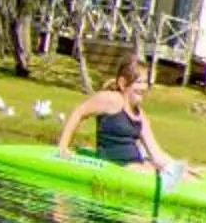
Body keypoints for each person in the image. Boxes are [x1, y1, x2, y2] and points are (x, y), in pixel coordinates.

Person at [55, 55, 189, 175]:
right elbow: (78, 113)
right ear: (123, 83)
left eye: (146, 82)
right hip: (115, 167)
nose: (144, 87)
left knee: (166, 170)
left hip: (135, 165)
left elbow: (156, 153)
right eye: (139, 82)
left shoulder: (139, 114)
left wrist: (181, 168)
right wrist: (63, 147)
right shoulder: (110, 100)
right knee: (153, 171)